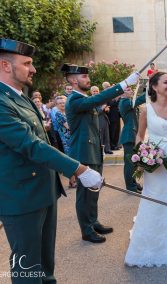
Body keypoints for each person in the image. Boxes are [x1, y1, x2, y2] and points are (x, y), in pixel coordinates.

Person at [0, 38, 103, 283]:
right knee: (28, 267)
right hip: (21, 199)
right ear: (5, 66)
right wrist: (78, 168)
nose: (33, 69)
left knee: (45, 265)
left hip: (42, 191)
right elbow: (30, 145)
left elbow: (43, 142)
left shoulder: (20, 97)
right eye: (27, 63)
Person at [63, 62, 140, 243]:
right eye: (84, 77)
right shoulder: (74, 100)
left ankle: (93, 221)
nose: (88, 79)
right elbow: (96, 101)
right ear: (73, 80)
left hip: (92, 151)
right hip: (83, 153)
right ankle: (86, 230)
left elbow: (99, 101)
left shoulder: (83, 98)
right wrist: (123, 84)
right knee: (85, 194)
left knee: (94, 189)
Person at [125, 72, 167, 267]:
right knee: (153, 197)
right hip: (153, 160)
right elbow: (140, 135)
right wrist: (142, 156)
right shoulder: (146, 109)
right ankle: (149, 244)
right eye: (166, 82)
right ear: (154, 87)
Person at [119, 88, 146, 193]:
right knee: (129, 163)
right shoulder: (125, 102)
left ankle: (133, 183)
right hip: (129, 136)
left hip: (132, 135)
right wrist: (150, 89)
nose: (131, 91)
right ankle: (130, 187)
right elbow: (140, 100)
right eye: (128, 90)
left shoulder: (128, 102)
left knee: (133, 162)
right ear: (122, 93)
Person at [90, 86, 113, 154]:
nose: (95, 92)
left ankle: (107, 149)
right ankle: (100, 150)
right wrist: (102, 108)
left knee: (106, 135)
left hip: (104, 119)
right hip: (97, 120)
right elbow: (95, 112)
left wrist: (107, 109)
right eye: (94, 91)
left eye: (97, 91)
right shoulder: (91, 100)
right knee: (100, 135)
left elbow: (105, 109)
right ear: (91, 92)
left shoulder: (101, 99)